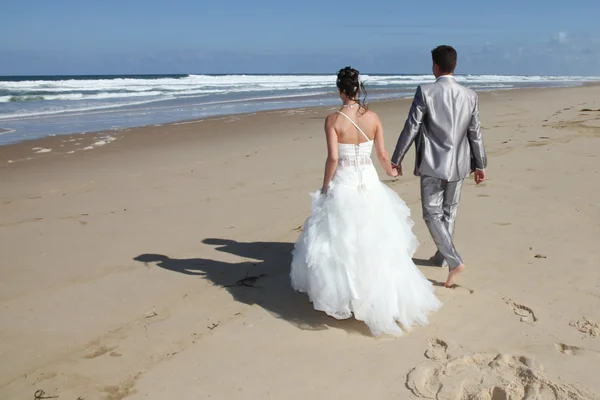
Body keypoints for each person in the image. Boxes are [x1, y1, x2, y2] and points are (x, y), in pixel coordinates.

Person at [290, 66, 441, 337]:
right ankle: (382, 297)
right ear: (358, 89)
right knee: (376, 239)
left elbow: (334, 159)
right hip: (369, 181)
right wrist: (393, 171)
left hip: (346, 182)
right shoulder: (373, 118)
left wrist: (325, 186)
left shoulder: (333, 120)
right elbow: (382, 154)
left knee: (344, 242)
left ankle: (348, 299)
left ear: (340, 90)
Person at [391, 45, 487, 288]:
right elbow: (475, 133)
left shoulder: (426, 91)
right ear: (455, 65)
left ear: (435, 66)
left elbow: (412, 126)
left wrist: (397, 157)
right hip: (460, 163)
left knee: (432, 213)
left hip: (433, 163)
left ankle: (453, 260)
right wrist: (480, 164)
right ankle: (441, 257)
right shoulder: (470, 95)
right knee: (449, 211)